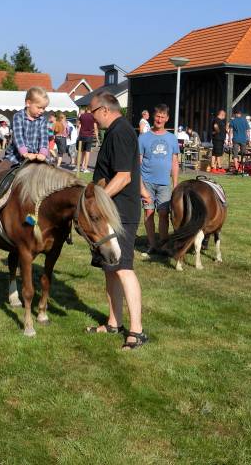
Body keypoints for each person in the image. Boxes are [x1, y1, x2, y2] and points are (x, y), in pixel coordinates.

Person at [86, 92, 146, 350]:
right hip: (111, 212)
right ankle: (114, 323)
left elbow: (123, 177)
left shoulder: (120, 132)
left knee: (123, 268)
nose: (91, 118)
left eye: (92, 112)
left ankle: (137, 331)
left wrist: (97, 201)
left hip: (121, 214)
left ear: (104, 110)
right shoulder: (114, 132)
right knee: (110, 268)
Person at [0, 87, 50, 216]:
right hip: (16, 156)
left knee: (53, 175)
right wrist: (25, 153)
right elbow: (18, 137)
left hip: (36, 156)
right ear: (28, 103)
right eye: (39, 107)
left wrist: (43, 153)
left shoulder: (43, 120)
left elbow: (44, 138)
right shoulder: (18, 117)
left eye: (44, 108)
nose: (42, 111)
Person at [138, 104, 179, 256]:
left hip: (164, 183)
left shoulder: (172, 138)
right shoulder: (143, 138)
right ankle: (152, 245)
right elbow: (137, 163)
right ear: (153, 117)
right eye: (157, 116)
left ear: (167, 118)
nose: (159, 119)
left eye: (162, 117)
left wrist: (175, 184)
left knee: (163, 213)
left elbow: (175, 163)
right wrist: (140, 185)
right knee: (149, 212)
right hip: (147, 181)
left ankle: (163, 244)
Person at [76, 106, 98, 173]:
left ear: (86, 109)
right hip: (89, 136)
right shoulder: (93, 116)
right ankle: (85, 168)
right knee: (87, 152)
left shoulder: (82, 116)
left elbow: (78, 124)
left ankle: (79, 167)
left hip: (82, 135)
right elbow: (95, 128)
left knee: (81, 151)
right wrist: (97, 138)